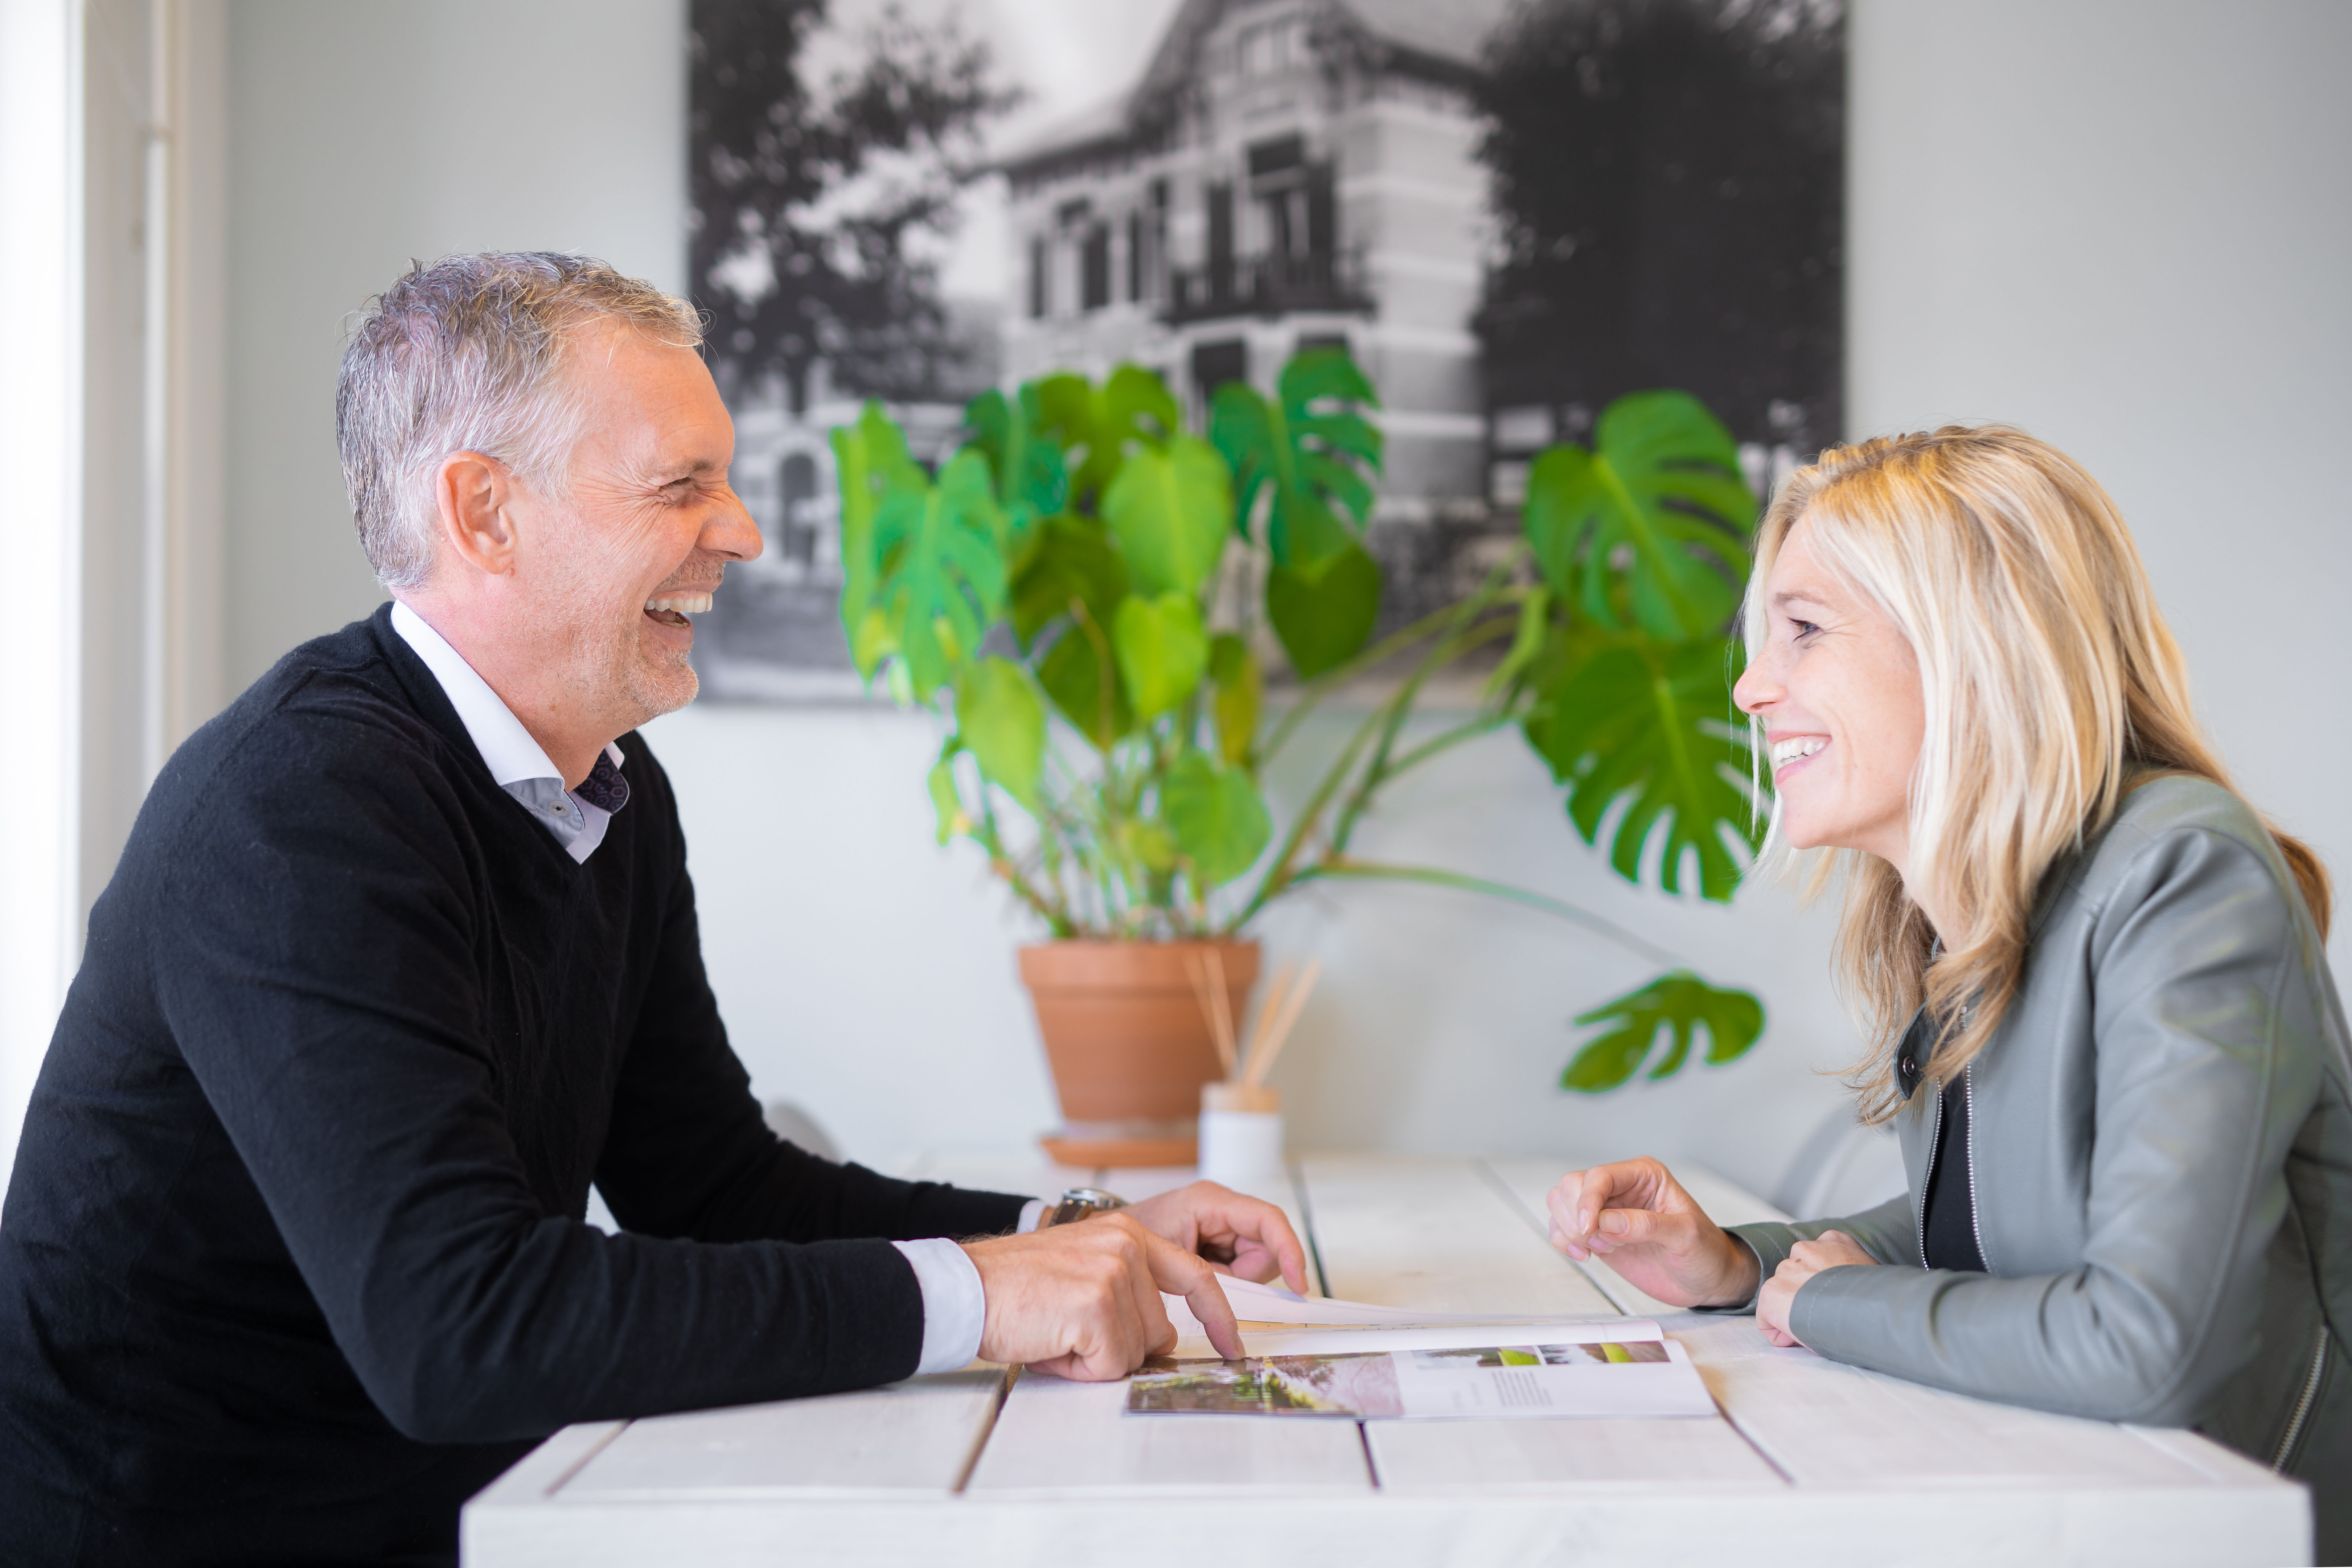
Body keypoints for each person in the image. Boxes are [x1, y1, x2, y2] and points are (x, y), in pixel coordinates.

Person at [0, 253, 1304, 1565]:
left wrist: (1068, 1236)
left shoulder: (605, 789)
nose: (741, 531)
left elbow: (713, 1184)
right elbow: (460, 1327)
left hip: (474, 1517)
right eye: (682, 485)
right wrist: (979, 1295)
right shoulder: (295, 805)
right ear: (485, 514)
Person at [1546, 425, 2350, 1559]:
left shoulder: (2179, 868)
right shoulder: (1967, 908)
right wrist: (1736, 1261)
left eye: (1803, 630)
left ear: (1969, 647)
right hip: (2081, 1498)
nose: (1751, 685)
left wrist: (1832, 1301)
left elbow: (2146, 1342)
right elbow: (2006, 1225)